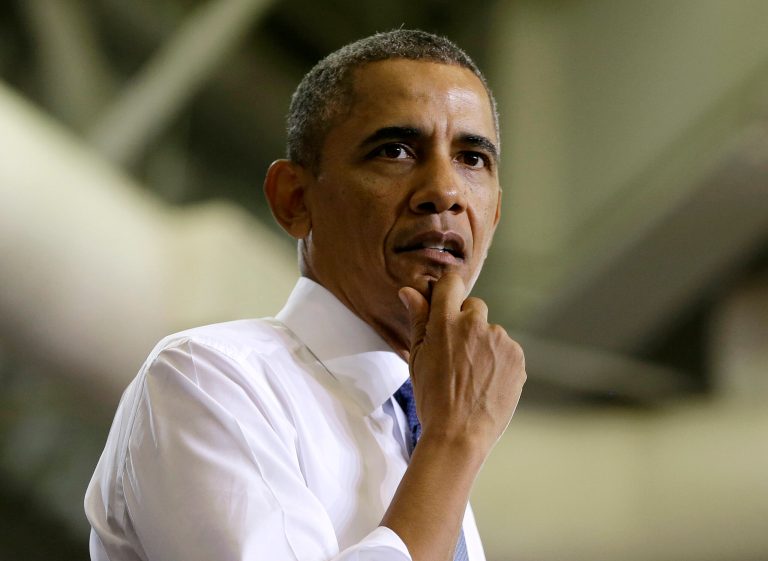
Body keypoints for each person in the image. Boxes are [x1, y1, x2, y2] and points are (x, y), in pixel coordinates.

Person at [85, 29, 526, 561]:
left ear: (495, 214)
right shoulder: (208, 380)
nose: (445, 192)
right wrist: (453, 444)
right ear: (294, 199)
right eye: (396, 150)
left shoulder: (421, 431)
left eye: (472, 159)